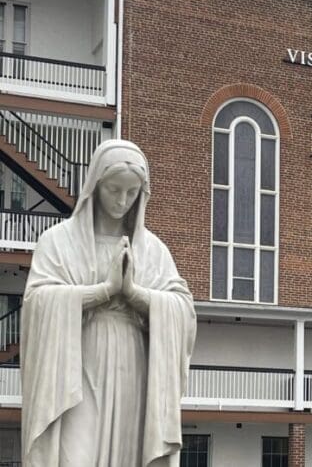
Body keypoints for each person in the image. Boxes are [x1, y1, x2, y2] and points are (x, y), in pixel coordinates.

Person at [21, 139, 196, 466]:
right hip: (77, 363)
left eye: (132, 193)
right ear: (95, 185)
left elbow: (182, 310)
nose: (122, 200)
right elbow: (37, 302)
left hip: (133, 363)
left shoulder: (153, 250)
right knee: (76, 453)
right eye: (114, 189)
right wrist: (103, 290)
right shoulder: (58, 241)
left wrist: (134, 293)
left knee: (127, 455)